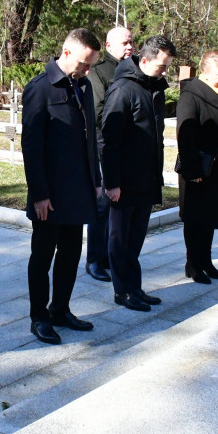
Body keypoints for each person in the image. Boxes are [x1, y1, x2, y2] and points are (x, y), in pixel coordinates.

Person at [22, 29, 102, 345]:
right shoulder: (40, 89)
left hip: (78, 191)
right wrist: (39, 194)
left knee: (70, 254)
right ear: (67, 53)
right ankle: (39, 317)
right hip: (50, 195)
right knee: (42, 258)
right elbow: (32, 146)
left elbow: (89, 139)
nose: (87, 71)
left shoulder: (83, 86)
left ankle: (60, 310)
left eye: (91, 65)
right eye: (84, 63)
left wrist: (95, 181)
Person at [99, 34, 175, 312]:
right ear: (144, 60)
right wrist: (112, 182)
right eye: (161, 66)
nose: (165, 71)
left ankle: (135, 287)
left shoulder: (154, 88)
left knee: (136, 239)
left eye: (167, 66)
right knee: (120, 240)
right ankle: (123, 292)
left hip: (146, 177)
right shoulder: (123, 89)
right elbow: (109, 140)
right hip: (125, 180)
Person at [176, 50, 218, 283]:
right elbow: (184, 135)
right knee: (196, 218)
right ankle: (193, 264)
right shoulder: (191, 94)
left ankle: (206, 261)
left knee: (211, 217)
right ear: (205, 72)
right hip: (200, 168)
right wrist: (192, 170)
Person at [84, 26, 133, 283]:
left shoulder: (133, 71)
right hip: (104, 146)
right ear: (109, 45)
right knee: (102, 204)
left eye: (131, 42)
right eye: (124, 43)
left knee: (119, 206)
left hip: (126, 150)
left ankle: (112, 255)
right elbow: (98, 111)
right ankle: (95, 259)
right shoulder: (100, 71)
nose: (129, 47)